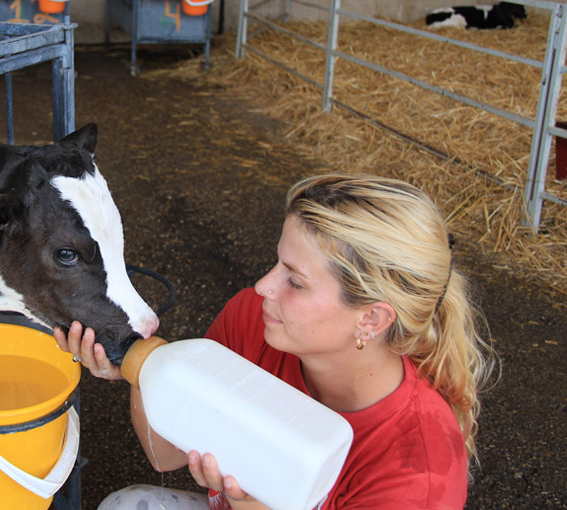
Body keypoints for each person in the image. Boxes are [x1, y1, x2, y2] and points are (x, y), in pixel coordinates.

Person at [54, 173, 496, 510]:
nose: (264, 286)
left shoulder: (418, 473)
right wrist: (138, 368)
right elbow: (165, 455)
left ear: (372, 319)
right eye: (277, 263)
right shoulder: (253, 320)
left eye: (296, 282)